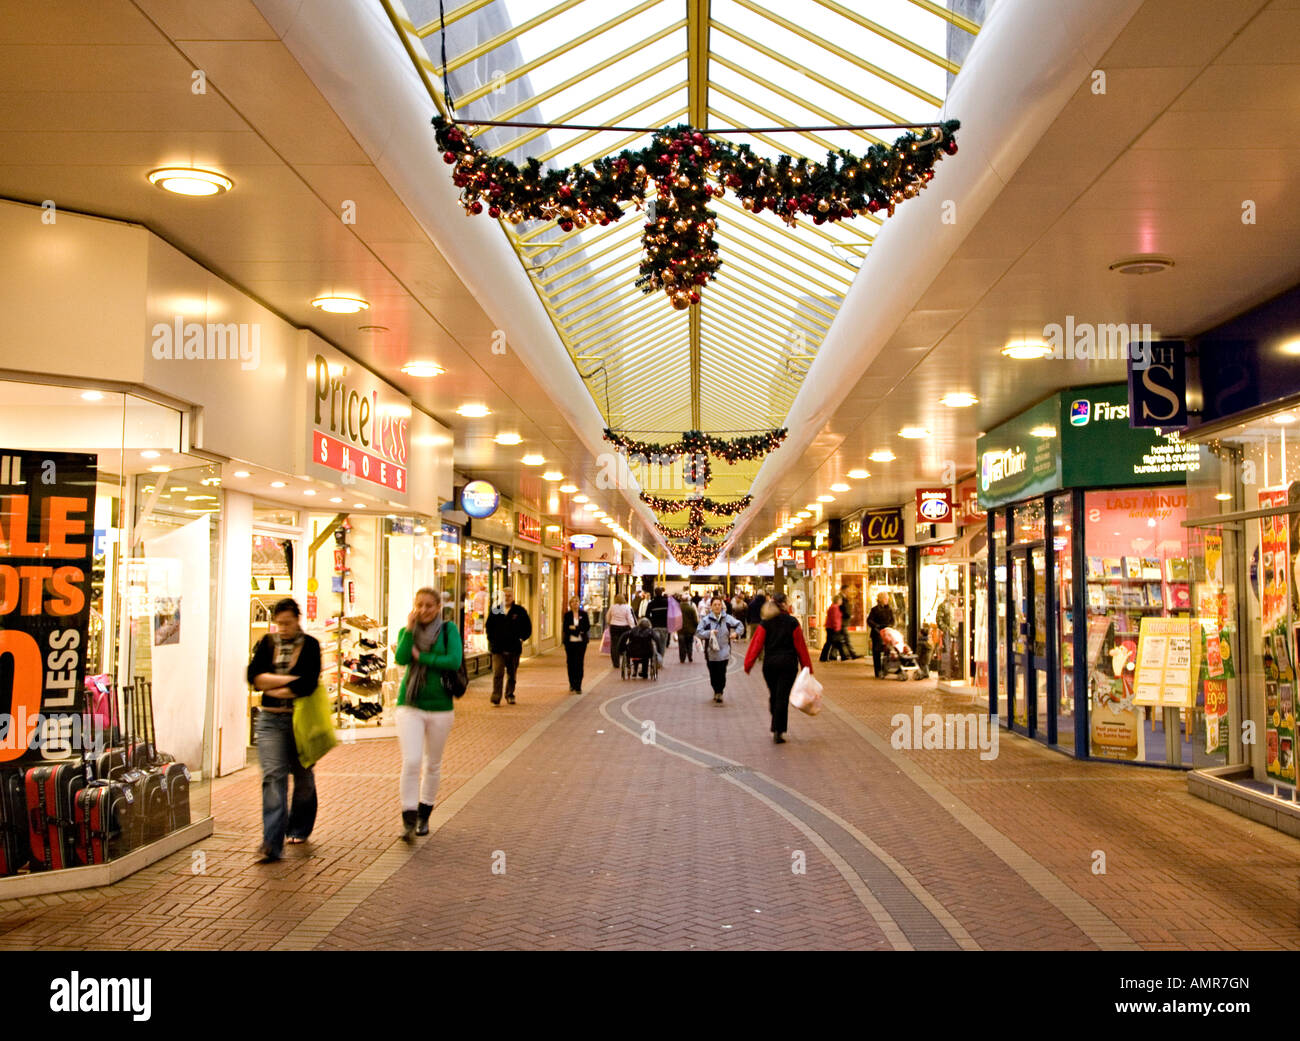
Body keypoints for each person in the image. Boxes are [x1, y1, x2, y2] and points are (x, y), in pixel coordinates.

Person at [247, 598, 322, 862]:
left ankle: (300, 827)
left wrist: (272, 684)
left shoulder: (311, 646)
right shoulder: (267, 644)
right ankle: (271, 842)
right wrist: (290, 681)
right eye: (279, 623)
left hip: (300, 721)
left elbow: (308, 684)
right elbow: (254, 677)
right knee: (273, 776)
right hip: (270, 721)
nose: (283, 628)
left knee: (303, 778)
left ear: (297, 620)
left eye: (287, 623)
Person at [394, 587, 462, 843]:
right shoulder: (405, 632)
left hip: (440, 707)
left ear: (438, 608)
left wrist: (421, 656)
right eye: (419, 605)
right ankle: (408, 818)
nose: (423, 610)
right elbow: (401, 658)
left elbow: (454, 661)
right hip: (409, 704)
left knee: (432, 764)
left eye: (429, 606)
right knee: (411, 761)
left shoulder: (449, 630)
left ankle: (425, 813)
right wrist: (410, 631)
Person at [744, 593, 813, 744]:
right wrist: (807, 667)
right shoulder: (793, 622)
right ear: (784, 604)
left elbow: (756, 644)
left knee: (775, 696)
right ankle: (778, 730)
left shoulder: (765, 622)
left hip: (770, 665)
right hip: (788, 664)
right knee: (782, 697)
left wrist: (748, 664)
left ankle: (775, 717)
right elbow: (800, 646)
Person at [486, 587, 532, 705]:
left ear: (513, 597)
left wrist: (521, 638)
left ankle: (509, 694)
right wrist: (491, 640)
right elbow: (489, 626)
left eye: (509, 595)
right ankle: (496, 696)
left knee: (511, 674)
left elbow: (528, 627)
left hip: (513, 648)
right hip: (498, 649)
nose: (507, 597)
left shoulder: (520, 611)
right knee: (498, 673)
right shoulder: (496, 610)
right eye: (505, 595)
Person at [696, 595, 745, 703]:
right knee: (713, 673)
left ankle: (720, 692)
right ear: (711, 607)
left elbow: (740, 625)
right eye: (715, 605)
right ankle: (715, 690)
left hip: (724, 650)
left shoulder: (727, 618)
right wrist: (709, 633)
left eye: (719, 605)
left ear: (722, 606)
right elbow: (698, 632)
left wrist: (736, 633)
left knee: (722, 672)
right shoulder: (706, 620)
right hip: (711, 652)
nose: (717, 607)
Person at [562, 596, 590, 694]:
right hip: (570, 643)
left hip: (581, 643)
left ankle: (578, 685)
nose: (575, 603)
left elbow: (586, 627)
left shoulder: (584, 614)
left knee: (579, 662)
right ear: (570, 604)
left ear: (579, 603)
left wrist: (575, 628)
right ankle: (572, 683)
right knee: (571, 663)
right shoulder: (567, 615)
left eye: (577, 601)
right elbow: (566, 628)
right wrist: (577, 629)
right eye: (573, 602)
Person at [867, 592, 896, 678]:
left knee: (887, 651)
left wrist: (890, 626)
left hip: (887, 633)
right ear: (880, 599)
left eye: (887, 599)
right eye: (885, 598)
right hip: (877, 633)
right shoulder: (874, 610)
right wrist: (876, 626)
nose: (887, 600)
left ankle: (884, 669)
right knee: (876, 653)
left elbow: (893, 620)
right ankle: (878, 671)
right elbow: (869, 620)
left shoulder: (889, 610)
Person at [605, 593, 635, 669]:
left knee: (614, 645)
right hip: (624, 627)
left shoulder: (612, 607)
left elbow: (608, 616)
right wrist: (633, 627)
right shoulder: (627, 607)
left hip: (614, 626)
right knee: (623, 642)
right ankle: (623, 653)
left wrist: (609, 622)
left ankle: (616, 663)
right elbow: (630, 618)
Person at [835, 594, 861, 660]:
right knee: (843, 640)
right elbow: (837, 617)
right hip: (840, 625)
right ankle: (850, 654)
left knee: (839, 641)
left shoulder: (837, 607)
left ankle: (844, 655)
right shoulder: (836, 607)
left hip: (840, 625)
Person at [646, 586, 670, 657]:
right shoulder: (667, 602)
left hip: (655, 626)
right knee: (663, 644)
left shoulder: (651, 603)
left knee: (655, 642)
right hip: (664, 626)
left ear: (655, 593)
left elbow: (647, 615)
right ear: (662, 592)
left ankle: (655, 655)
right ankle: (660, 659)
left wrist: (651, 621)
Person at [678, 593, 699, 663]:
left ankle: (682, 658)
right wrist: (696, 627)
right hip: (690, 630)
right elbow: (695, 620)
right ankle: (690, 656)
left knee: (681, 645)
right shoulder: (691, 608)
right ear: (687, 600)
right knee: (689, 644)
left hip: (680, 630)